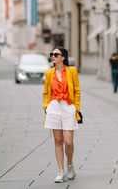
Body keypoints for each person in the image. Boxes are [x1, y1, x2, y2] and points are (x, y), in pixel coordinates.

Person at [43, 47, 81, 183]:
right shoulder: (49, 73)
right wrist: (46, 106)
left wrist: (75, 108)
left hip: (68, 106)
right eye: (52, 54)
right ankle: (60, 172)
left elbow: (77, 90)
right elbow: (46, 92)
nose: (53, 56)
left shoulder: (72, 71)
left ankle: (70, 166)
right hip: (54, 108)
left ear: (63, 57)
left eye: (56, 54)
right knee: (58, 141)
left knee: (68, 141)